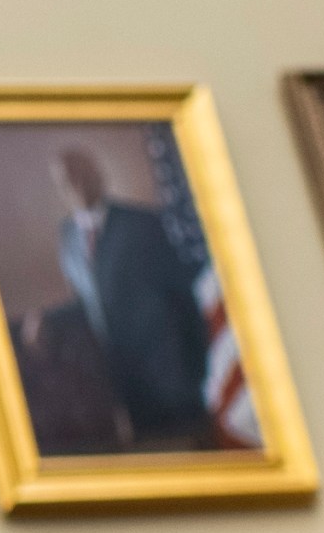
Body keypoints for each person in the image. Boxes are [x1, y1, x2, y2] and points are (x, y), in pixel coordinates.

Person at [49, 147, 214, 447]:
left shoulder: (143, 224)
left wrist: (197, 370)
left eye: (83, 174)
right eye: (67, 180)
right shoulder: (68, 237)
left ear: (99, 176)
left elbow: (183, 298)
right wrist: (45, 322)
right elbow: (87, 301)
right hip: (122, 385)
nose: (77, 185)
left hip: (170, 377)